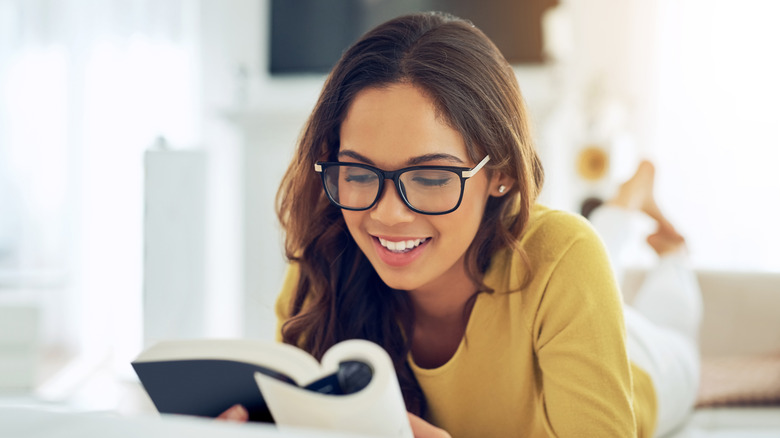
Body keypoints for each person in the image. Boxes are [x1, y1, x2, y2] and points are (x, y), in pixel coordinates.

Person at [220, 12, 702, 437]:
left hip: (651, 366)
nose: (387, 214)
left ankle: (671, 248)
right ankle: (626, 203)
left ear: (502, 173)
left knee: (666, 313)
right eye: (360, 173)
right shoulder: (325, 262)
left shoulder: (566, 255)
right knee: (604, 251)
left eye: (430, 176)